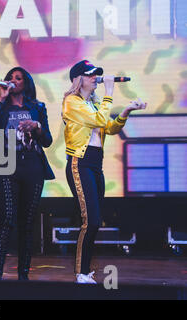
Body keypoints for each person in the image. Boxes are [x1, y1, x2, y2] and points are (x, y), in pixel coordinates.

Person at [62, 60, 147, 283]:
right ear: (78, 79)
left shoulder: (92, 103)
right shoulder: (71, 102)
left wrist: (127, 110)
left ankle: (86, 270)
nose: (95, 78)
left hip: (95, 164)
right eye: (90, 75)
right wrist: (109, 91)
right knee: (89, 220)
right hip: (80, 162)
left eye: (96, 75)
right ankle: (80, 272)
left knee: (96, 221)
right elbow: (100, 119)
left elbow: (109, 127)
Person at [0, 67, 55, 280]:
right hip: (6, 165)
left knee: (27, 221)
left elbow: (48, 141)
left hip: (32, 165)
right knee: (7, 218)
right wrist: (0, 98)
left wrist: (37, 127)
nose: (13, 81)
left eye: (18, 78)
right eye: (10, 78)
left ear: (26, 83)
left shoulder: (37, 107)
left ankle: (23, 274)